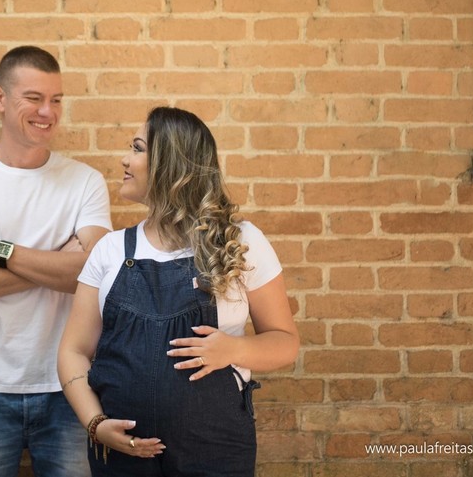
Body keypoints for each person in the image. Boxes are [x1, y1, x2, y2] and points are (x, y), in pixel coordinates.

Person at [57, 107, 299, 477]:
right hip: (124, 458)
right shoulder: (111, 250)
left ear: (172, 165)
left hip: (217, 452)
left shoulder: (239, 242)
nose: (125, 159)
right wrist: (96, 424)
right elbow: (73, 350)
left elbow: (285, 342)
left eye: (138, 149)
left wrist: (234, 349)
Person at [0, 45, 113, 477]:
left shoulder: (84, 181)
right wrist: (58, 265)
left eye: (56, 100)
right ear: (0, 99)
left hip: (70, 388)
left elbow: (96, 275)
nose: (47, 112)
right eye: (33, 98)